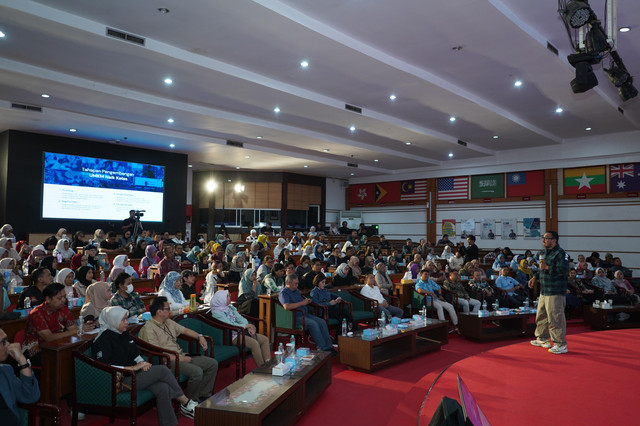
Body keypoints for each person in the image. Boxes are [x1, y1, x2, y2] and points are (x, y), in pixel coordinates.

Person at [92, 306, 198, 423]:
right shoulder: (103, 340)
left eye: (127, 319)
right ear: (113, 321)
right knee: (162, 370)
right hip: (120, 380)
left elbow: (135, 354)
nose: (127, 322)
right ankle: (185, 402)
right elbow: (104, 367)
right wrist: (132, 368)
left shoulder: (124, 334)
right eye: (123, 320)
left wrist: (142, 362)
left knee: (163, 387)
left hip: (134, 373)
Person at [138, 297, 218, 401]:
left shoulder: (168, 321)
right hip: (167, 361)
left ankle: (203, 395)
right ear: (159, 311)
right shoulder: (149, 329)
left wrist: (199, 336)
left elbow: (185, 330)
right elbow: (157, 354)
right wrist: (180, 358)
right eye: (167, 309)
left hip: (181, 355)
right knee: (197, 372)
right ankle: (190, 402)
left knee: (212, 364)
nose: (170, 311)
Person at [23, 283, 94, 364]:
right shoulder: (37, 314)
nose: (64, 300)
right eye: (59, 298)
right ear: (48, 299)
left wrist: (82, 329)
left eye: (64, 296)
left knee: (80, 352)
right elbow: (49, 338)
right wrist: (77, 330)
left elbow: (73, 329)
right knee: (63, 359)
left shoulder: (63, 308)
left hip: (59, 344)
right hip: (36, 348)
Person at [528, 231, 569, 354]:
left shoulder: (561, 254)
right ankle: (542, 338)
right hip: (544, 290)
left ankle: (560, 344)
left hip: (555, 291)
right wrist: (534, 277)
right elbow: (540, 268)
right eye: (543, 238)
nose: (543, 240)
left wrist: (546, 267)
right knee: (541, 316)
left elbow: (563, 270)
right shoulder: (543, 253)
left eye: (546, 238)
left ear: (554, 240)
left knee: (555, 318)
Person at [279, 274, 336, 355]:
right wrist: (302, 303)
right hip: (295, 317)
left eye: (297, 283)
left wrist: (306, 301)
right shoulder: (284, 293)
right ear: (288, 283)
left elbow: (302, 301)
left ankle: (329, 346)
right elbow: (286, 306)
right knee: (314, 324)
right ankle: (322, 348)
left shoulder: (296, 291)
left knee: (322, 322)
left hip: (305, 314)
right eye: (295, 283)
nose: (297, 285)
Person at [210, 290, 271, 366]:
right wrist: (246, 326)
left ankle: (268, 364)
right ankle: (262, 367)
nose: (230, 297)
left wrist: (248, 327)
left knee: (265, 339)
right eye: (227, 296)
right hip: (232, 336)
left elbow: (241, 318)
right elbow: (230, 325)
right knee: (254, 344)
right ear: (221, 299)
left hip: (241, 331)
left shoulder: (229, 308)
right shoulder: (216, 313)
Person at [0, 327, 39, 426]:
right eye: (3, 342)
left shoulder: (5, 371)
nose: (9, 344)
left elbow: (30, 397)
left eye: (7, 340)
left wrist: (22, 360)